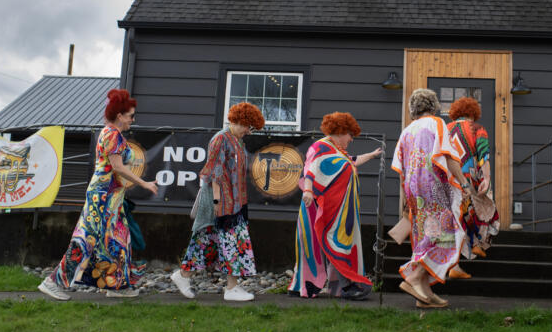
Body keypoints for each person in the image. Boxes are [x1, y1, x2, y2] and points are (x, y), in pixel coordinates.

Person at [38, 89, 159, 300]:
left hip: (111, 198)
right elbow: (118, 167)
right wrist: (144, 183)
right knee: (86, 239)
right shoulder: (112, 135)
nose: (133, 119)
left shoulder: (111, 133)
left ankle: (116, 286)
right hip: (102, 198)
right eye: (131, 115)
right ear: (120, 116)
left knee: (117, 241)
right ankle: (52, 282)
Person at [391, 88, 477, 308]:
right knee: (446, 234)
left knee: (426, 237)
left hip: (414, 193)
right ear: (433, 106)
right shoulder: (437, 123)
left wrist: (403, 204)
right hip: (433, 188)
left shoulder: (406, 131)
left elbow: (401, 170)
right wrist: (465, 183)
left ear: (413, 109)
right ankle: (413, 277)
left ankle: (425, 296)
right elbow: (449, 157)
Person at [170, 102, 265, 302]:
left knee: (210, 242)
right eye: (249, 126)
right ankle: (230, 288)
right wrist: (217, 202)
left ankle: (185, 276)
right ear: (240, 120)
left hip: (235, 202)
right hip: (221, 202)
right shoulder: (220, 139)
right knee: (231, 241)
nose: (249, 131)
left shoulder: (238, 141)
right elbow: (214, 173)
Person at [288, 112, 382, 300]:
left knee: (333, 245)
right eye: (350, 135)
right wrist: (307, 191)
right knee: (327, 246)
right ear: (341, 131)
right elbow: (310, 170)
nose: (351, 139)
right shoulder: (320, 147)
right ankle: (341, 287)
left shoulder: (337, 151)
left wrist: (372, 155)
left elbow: (352, 161)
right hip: (317, 207)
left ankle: (335, 286)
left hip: (336, 211)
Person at [446, 97, 500, 280]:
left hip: (450, 181)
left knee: (457, 218)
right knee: (482, 209)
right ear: (473, 113)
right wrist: (487, 177)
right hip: (470, 179)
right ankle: (471, 250)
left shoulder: (445, 129)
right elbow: (484, 155)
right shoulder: (477, 129)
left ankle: (462, 257)